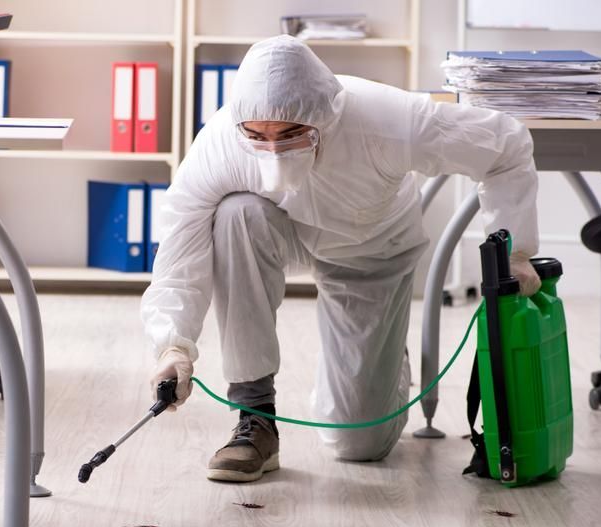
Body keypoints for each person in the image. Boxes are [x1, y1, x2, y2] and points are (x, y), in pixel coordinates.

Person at [141, 35, 541, 482]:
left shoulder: (388, 120)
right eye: (258, 136)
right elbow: (182, 241)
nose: (273, 150)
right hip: (283, 229)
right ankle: (255, 418)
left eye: (291, 135)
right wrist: (173, 344)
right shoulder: (222, 140)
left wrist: (517, 250)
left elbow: (506, 146)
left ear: (325, 118)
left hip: (369, 251)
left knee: (359, 445)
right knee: (236, 215)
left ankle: (387, 363)